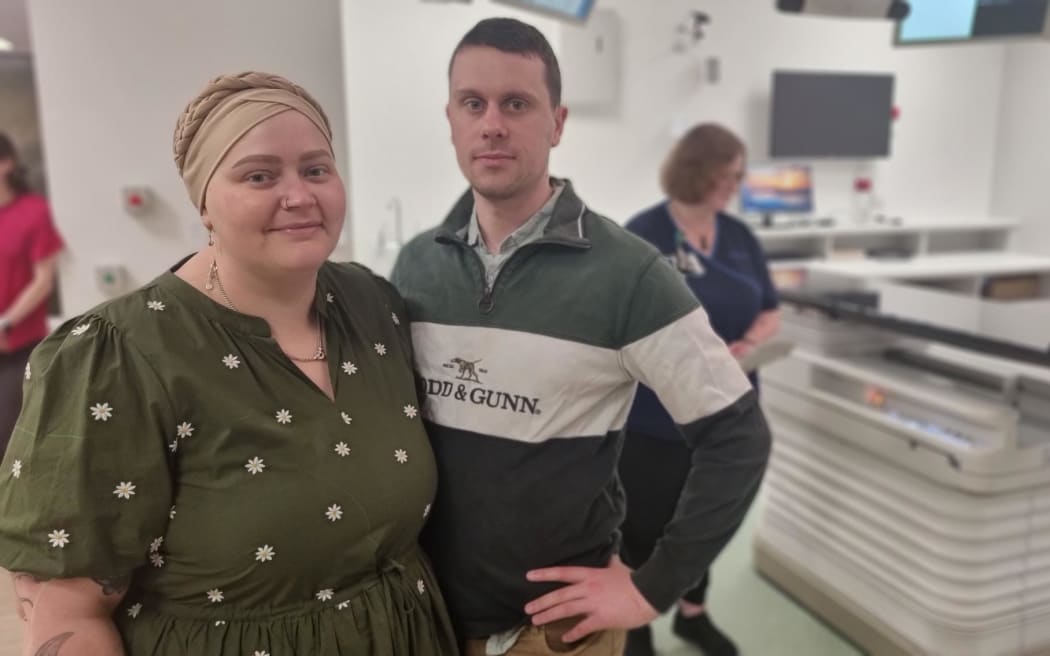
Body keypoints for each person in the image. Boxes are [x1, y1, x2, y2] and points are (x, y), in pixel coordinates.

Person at [0, 72, 457, 655]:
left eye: (316, 169)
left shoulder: (373, 307)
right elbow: (67, 611)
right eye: (259, 175)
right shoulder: (121, 355)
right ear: (204, 202)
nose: (299, 195)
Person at [390, 18, 771, 656]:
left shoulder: (630, 274)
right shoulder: (417, 267)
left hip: (557, 632)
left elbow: (737, 436)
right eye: (472, 103)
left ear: (557, 123)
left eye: (517, 104)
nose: (492, 124)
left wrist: (652, 589)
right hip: (430, 618)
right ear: (451, 118)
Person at [619, 124, 781, 656]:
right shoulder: (642, 235)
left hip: (725, 416)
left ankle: (693, 614)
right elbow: (618, 322)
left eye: (738, 175)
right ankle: (634, 624)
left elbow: (769, 309)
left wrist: (748, 343)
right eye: (726, 174)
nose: (734, 185)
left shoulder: (739, 238)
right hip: (654, 418)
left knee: (707, 519)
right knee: (644, 525)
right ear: (697, 169)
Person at [0, 133, 64, 457]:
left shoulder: (33, 212)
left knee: (9, 441)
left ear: (6, 163)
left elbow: (43, 281)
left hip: (17, 346)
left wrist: (5, 323)